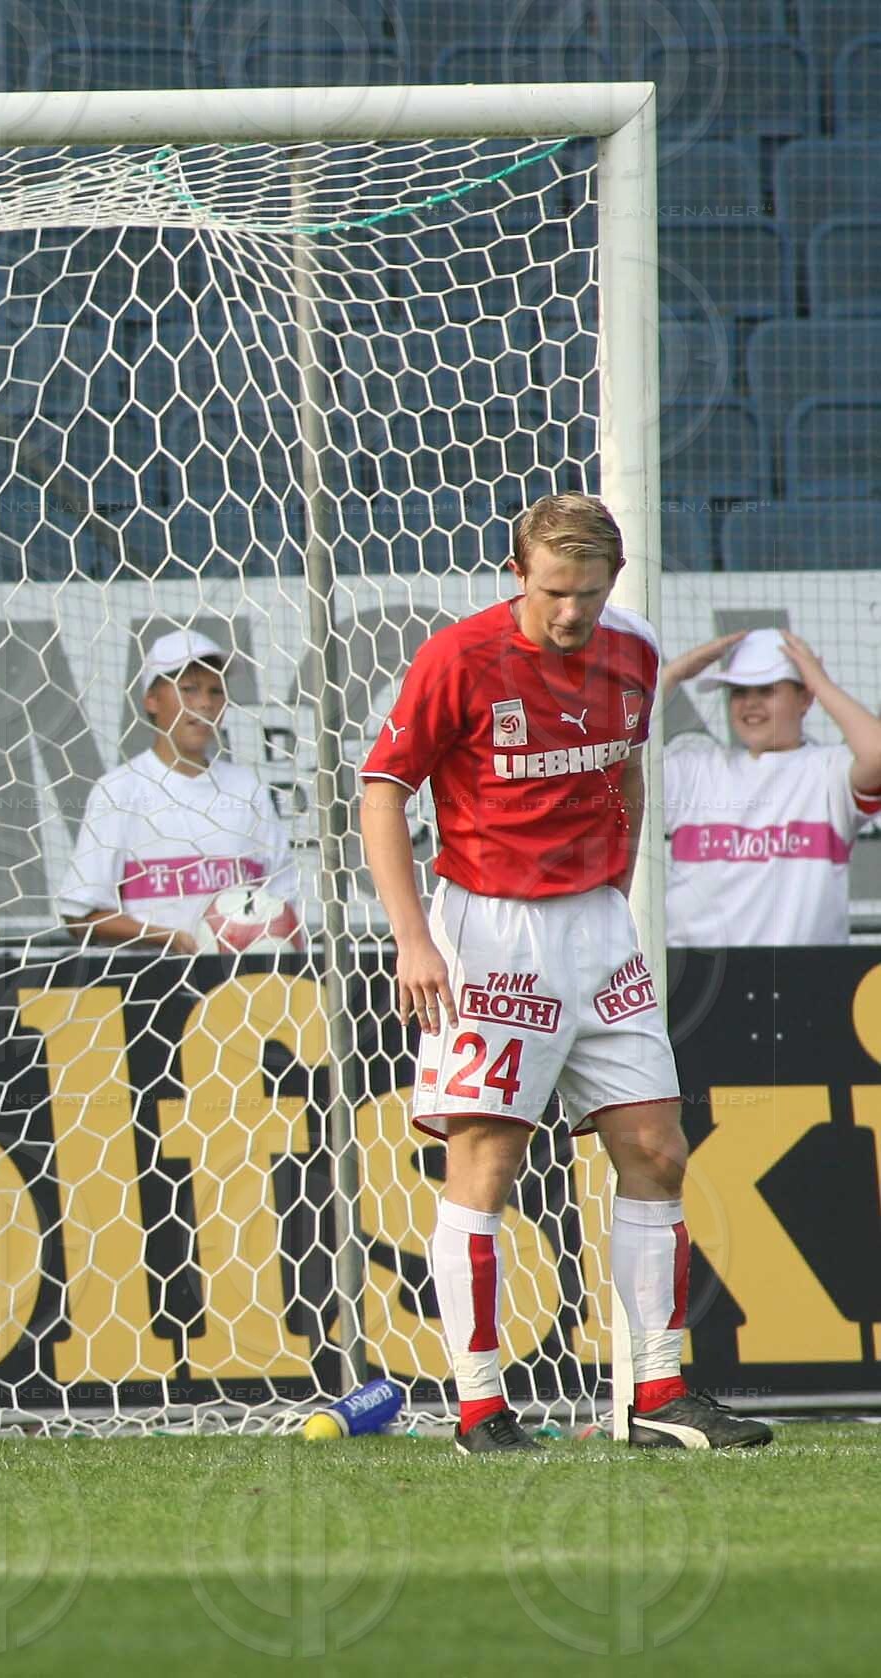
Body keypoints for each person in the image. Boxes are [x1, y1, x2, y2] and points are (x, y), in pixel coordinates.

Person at [359, 492, 770, 1455]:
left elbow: (627, 769)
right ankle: (478, 1408)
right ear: (518, 575)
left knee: (659, 1148)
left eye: (587, 592)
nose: (571, 613)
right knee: (487, 1162)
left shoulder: (632, 650)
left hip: (598, 927)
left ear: (612, 582)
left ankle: (659, 1395)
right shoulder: (459, 658)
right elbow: (382, 792)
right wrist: (413, 938)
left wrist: (613, 892)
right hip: (493, 931)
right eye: (552, 591)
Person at [56, 628, 299, 953]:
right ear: (152, 701)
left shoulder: (247, 789)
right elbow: (80, 915)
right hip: (155, 988)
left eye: (216, 691)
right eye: (188, 689)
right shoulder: (119, 791)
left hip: (246, 986)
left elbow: (284, 903)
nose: (204, 704)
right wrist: (172, 939)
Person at [659, 627, 881, 947]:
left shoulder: (829, 772)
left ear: (804, 698)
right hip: (699, 981)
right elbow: (617, 759)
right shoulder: (695, 768)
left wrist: (819, 682)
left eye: (766, 690)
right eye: (739, 691)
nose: (750, 704)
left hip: (805, 981)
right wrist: (671, 676)